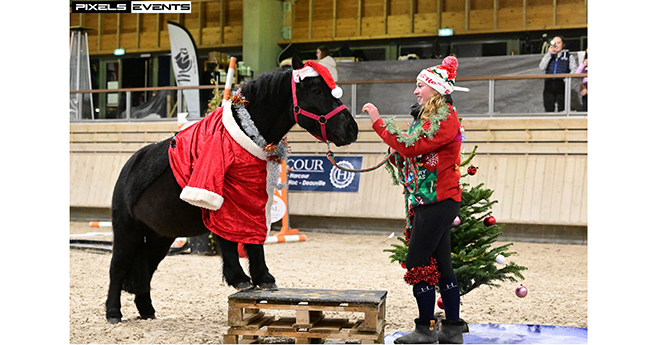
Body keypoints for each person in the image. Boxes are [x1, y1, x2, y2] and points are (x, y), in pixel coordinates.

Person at [362, 56, 467, 344]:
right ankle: (452, 328)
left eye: (420, 85)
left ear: (435, 89)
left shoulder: (444, 119)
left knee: (417, 261)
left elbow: (413, 147)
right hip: (430, 201)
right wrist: (397, 153)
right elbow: (413, 157)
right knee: (443, 264)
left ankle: (425, 329)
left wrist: (379, 124)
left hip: (437, 202)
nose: (415, 91)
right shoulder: (427, 118)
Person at [539, 35, 577, 112]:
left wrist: (566, 79)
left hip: (562, 86)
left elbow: (574, 70)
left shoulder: (568, 56)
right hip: (549, 86)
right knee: (549, 109)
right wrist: (549, 54)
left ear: (563, 45)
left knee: (562, 109)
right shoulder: (549, 56)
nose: (556, 45)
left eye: (558, 43)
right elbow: (542, 67)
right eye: (554, 43)